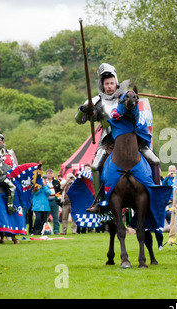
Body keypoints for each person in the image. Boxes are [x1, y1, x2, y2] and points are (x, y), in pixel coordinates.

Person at [75, 63, 161, 213]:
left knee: (154, 160)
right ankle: (99, 200)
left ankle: (158, 195)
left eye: (111, 83)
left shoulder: (125, 97)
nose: (109, 86)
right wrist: (85, 109)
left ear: (116, 82)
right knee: (95, 166)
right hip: (109, 142)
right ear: (102, 85)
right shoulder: (97, 101)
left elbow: (133, 110)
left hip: (132, 139)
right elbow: (79, 120)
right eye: (106, 84)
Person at [44, 169, 61, 234]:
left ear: (53, 174)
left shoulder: (56, 182)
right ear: (46, 174)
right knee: (45, 217)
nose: (50, 174)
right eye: (48, 173)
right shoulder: (45, 182)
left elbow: (59, 191)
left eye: (51, 173)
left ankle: (56, 231)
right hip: (47, 201)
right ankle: (45, 230)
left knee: (56, 217)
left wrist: (58, 199)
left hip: (54, 201)